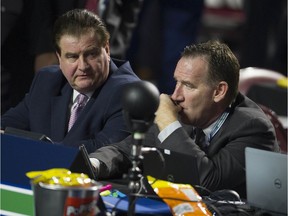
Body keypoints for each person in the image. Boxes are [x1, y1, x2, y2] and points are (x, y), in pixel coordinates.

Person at [89, 40, 280, 198]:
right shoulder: (185, 113)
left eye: (188, 85)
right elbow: (126, 150)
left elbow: (207, 183)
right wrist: (94, 164)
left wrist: (169, 124)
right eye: (176, 82)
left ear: (219, 91)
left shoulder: (254, 128)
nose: (175, 95)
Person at [1, 9, 140, 153]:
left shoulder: (130, 92)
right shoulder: (47, 81)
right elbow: (6, 126)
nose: (83, 66)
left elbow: (103, 148)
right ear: (59, 58)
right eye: (72, 57)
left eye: (91, 54)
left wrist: (35, 148)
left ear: (107, 49)